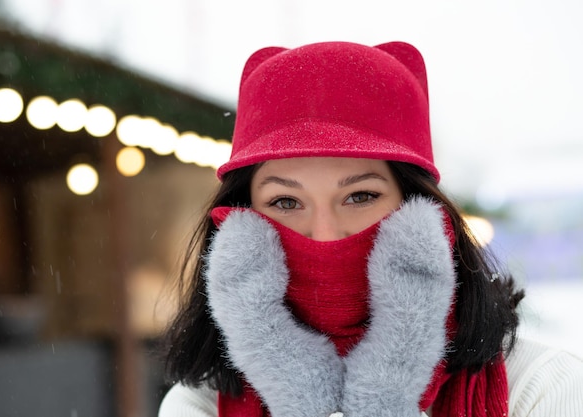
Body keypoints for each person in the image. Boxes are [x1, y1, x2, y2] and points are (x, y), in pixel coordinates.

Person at [158, 41, 583, 417]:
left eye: (360, 196)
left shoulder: (542, 387)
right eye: (285, 202)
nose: (324, 234)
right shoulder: (197, 405)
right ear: (240, 232)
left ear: (418, 215)